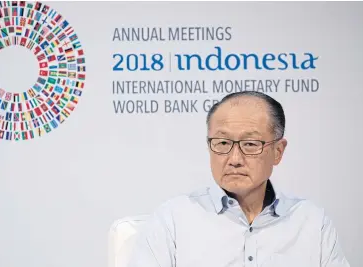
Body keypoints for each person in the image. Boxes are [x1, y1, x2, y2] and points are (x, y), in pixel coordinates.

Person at [127, 91, 350, 267]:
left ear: (278, 152)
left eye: (250, 144)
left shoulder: (310, 221)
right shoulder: (173, 219)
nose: (234, 159)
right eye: (222, 143)